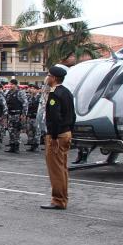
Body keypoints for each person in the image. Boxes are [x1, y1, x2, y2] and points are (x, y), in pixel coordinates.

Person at [40, 65, 75, 210]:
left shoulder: (54, 94)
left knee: (56, 169)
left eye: (48, 75)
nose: (47, 78)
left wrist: (53, 136)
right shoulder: (66, 92)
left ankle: (58, 200)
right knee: (62, 168)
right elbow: (72, 115)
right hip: (66, 133)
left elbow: (54, 117)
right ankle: (63, 198)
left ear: (53, 78)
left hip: (57, 135)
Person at [5, 79, 29, 153]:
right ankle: (12, 146)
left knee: (16, 131)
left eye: (12, 84)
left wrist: (23, 114)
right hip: (10, 114)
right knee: (10, 131)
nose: (11, 86)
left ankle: (16, 147)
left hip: (17, 114)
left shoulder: (20, 92)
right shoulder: (9, 93)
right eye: (10, 84)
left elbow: (25, 103)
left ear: (15, 85)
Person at [25, 84, 42, 152]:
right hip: (30, 117)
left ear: (38, 90)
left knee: (37, 132)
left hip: (37, 117)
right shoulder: (29, 98)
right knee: (30, 132)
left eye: (34, 88)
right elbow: (27, 107)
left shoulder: (40, 98)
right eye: (31, 88)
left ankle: (36, 146)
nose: (32, 90)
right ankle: (32, 145)